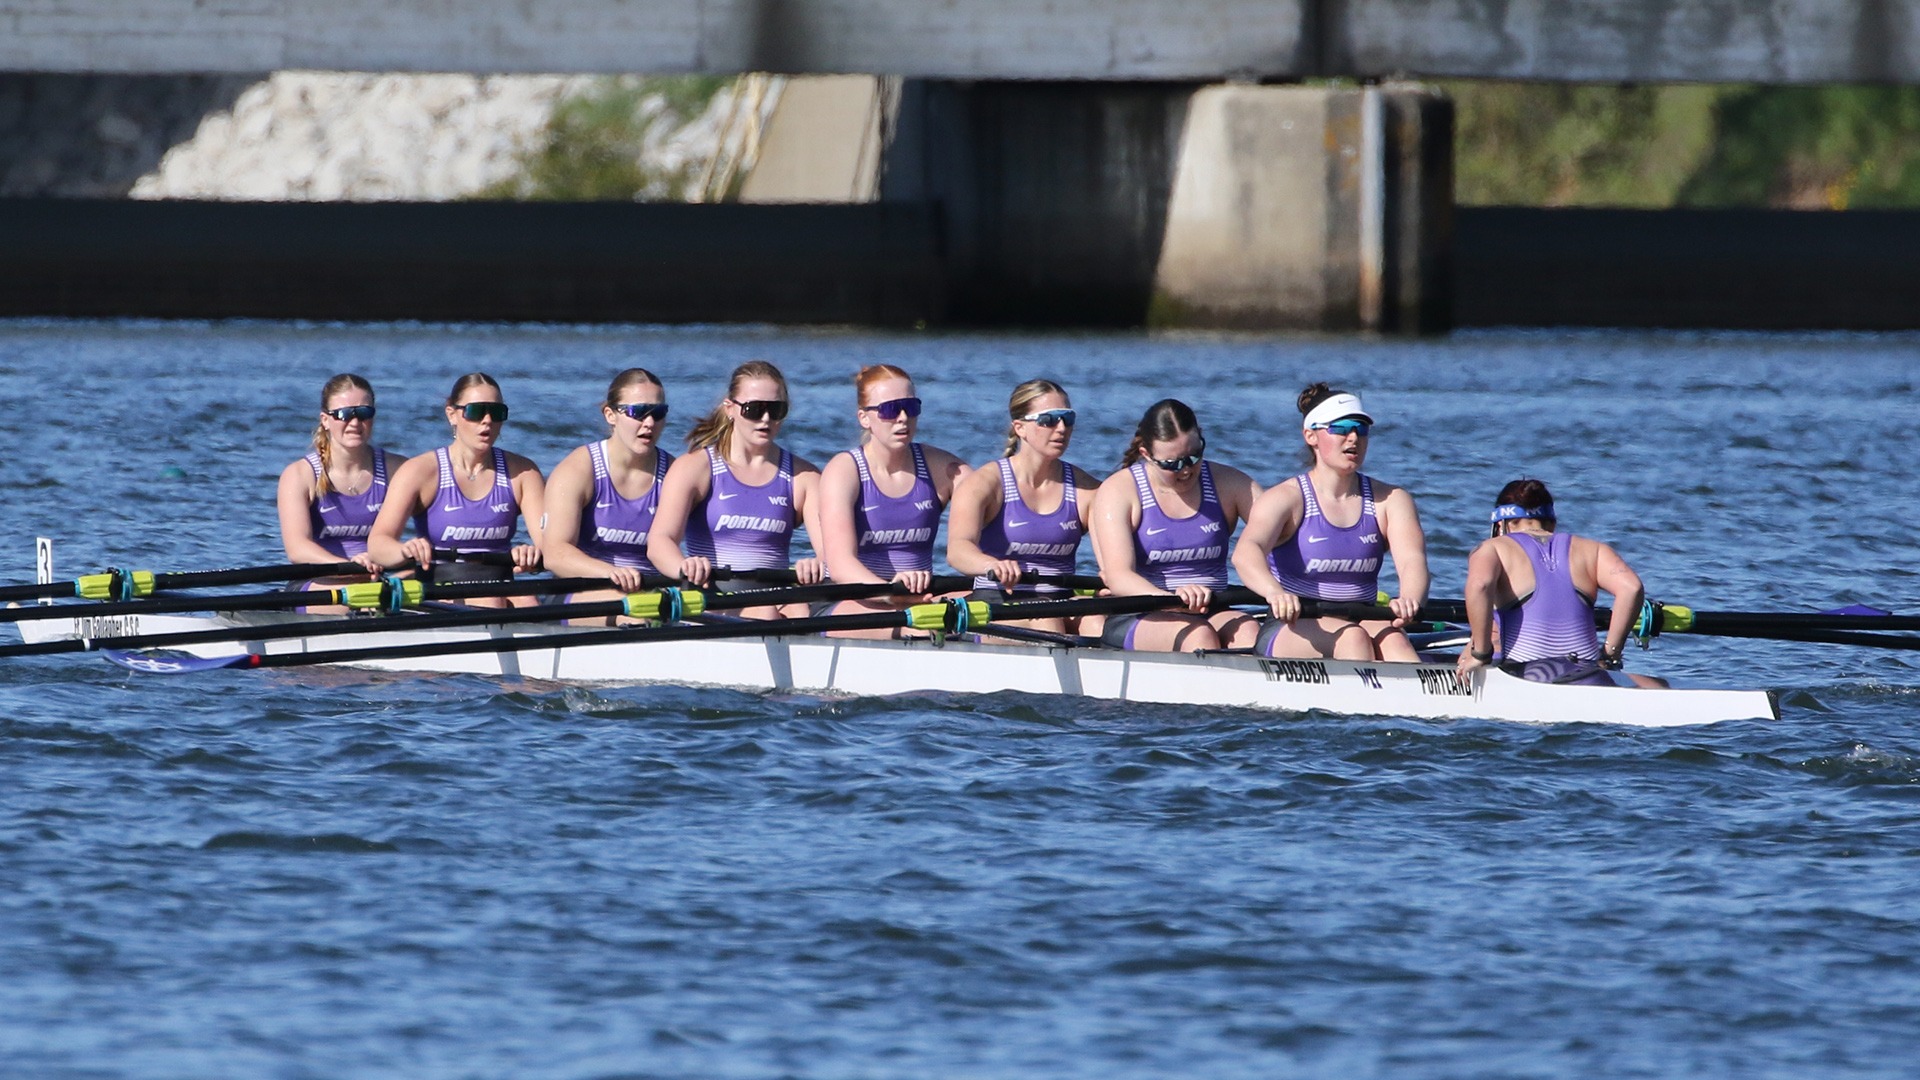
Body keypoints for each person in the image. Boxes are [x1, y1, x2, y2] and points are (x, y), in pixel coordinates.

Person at [1233, 383, 1428, 661]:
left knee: (1395, 641)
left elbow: (1412, 560)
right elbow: (1245, 553)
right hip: (1294, 623)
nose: (1353, 438)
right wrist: (1274, 593)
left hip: (1362, 616)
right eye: (1341, 428)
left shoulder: (1391, 500)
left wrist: (1409, 598)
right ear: (1311, 436)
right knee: (1353, 639)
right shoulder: (1285, 498)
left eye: (1361, 429)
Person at [647, 360, 824, 620]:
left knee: (800, 612)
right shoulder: (694, 468)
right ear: (730, 408)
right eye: (754, 410)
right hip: (710, 598)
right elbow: (659, 542)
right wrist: (683, 566)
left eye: (776, 410)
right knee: (768, 614)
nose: (766, 419)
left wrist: (816, 565)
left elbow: (830, 554)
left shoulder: (804, 477)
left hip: (776, 600)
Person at [1089, 399, 1262, 652]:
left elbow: (1284, 538)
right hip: (1140, 613)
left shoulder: (1231, 483)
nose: (1186, 471)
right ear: (1146, 455)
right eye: (1172, 464)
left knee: (1250, 632)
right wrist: (1171, 600)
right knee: (1198, 636)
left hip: (1213, 608)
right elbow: (1119, 576)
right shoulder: (1119, 491)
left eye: (1194, 457)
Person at [1455, 478, 1663, 688]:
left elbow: (1480, 586)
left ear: (1500, 525)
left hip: (1528, 676)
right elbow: (1632, 588)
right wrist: (1611, 654)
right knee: (1658, 684)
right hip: (1590, 674)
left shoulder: (1492, 548)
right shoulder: (1593, 549)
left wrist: (1480, 653)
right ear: (1551, 523)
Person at [367, 372, 546, 608]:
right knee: (490, 601)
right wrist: (405, 550)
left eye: (496, 412)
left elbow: (551, 546)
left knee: (529, 604)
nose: (487, 421)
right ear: (452, 414)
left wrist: (532, 555)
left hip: (500, 582)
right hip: (438, 584)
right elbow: (378, 545)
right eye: (476, 412)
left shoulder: (523, 472)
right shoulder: (419, 471)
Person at [815, 365, 968, 637]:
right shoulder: (844, 470)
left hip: (917, 600)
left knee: (977, 608)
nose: (903, 418)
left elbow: (997, 497)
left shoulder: (939, 467)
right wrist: (890, 594)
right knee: (921, 628)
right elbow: (839, 564)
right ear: (864, 417)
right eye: (890, 409)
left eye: (910, 407)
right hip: (851, 601)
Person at [946, 378, 1100, 636]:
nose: (1061, 428)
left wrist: (1112, 579)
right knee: (1046, 620)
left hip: (1059, 601)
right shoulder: (984, 484)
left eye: (1067, 418)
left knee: (1098, 622)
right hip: (996, 603)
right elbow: (958, 550)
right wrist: (990, 565)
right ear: (1020, 427)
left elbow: (1111, 558)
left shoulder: (1087, 490)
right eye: (1049, 420)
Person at [541, 369, 674, 624]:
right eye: (638, 412)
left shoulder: (674, 473)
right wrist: (612, 573)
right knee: (638, 615)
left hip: (650, 595)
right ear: (610, 415)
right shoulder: (578, 469)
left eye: (658, 413)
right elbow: (555, 553)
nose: (649, 423)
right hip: (578, 594)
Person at [276, 373, 399, 576]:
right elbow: (297, 549)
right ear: (325, 420)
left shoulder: (397, 470)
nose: (355, 422)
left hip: (379, 577)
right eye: (344, 414)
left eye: (364, 413)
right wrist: (350, 567)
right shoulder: (299, 475)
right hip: (320, 579)